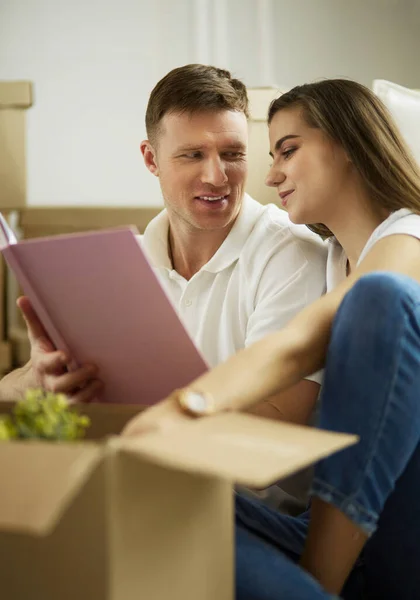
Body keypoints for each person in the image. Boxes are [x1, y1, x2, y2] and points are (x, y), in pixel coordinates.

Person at [123, 78, 420, 599]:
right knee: (148, 500)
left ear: (349, 144)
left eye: (287, 150)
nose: (270, 174)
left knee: (377, 299)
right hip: (316, 526)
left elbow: (297, 342)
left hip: (391, 525)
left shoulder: (409, 238)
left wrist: (185, 406)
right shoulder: (332, 261)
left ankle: (316, 584)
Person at [2, 65, 326, 434]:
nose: (216, 177)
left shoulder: (292, 256)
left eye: (232, 154)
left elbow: (275, 426)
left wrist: (135, 413)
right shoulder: (125, 264)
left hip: (233, 489)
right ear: (151, 159)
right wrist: (39, 379)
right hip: (139, 468)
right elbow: (13, 391)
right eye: (192, 155)